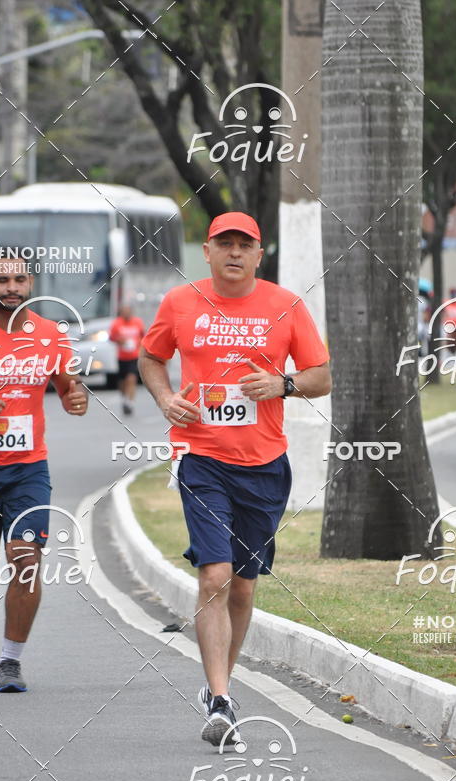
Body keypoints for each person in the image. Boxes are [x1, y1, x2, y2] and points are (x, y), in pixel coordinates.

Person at [139, 212, 331, 746]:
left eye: (244, 245)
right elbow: (151, 358)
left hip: (265, 465)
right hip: (200, 457)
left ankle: (220, 683)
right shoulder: (180, 303)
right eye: (224, 243)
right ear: (207, 251)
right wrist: (163, 397)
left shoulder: (285, 306)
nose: (234, 253)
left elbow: (321, 375)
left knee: (243, 586)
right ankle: (220, 699)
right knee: (215, 576)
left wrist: (282, 384)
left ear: (258, 254)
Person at [0, 252, 88, 691]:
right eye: (3, 279)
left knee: (27, 561)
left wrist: (75, 396)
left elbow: (69, 384)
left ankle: (9, 660)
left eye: (20, 279)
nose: (12, 286)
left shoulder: (50, 335)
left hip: (28, 469)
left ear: (32, 283)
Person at [109, 303, 145, 415]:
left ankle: (130, 402)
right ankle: (124, 398)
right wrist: (120, 341)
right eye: (124, 311)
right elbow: (111, 337)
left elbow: (143, 336)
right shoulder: (116, 323)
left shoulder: (137, 322)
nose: (126, 313)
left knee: (132, 378)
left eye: (128, 311)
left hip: (134, 356)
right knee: (122, 381)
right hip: (122, 356)